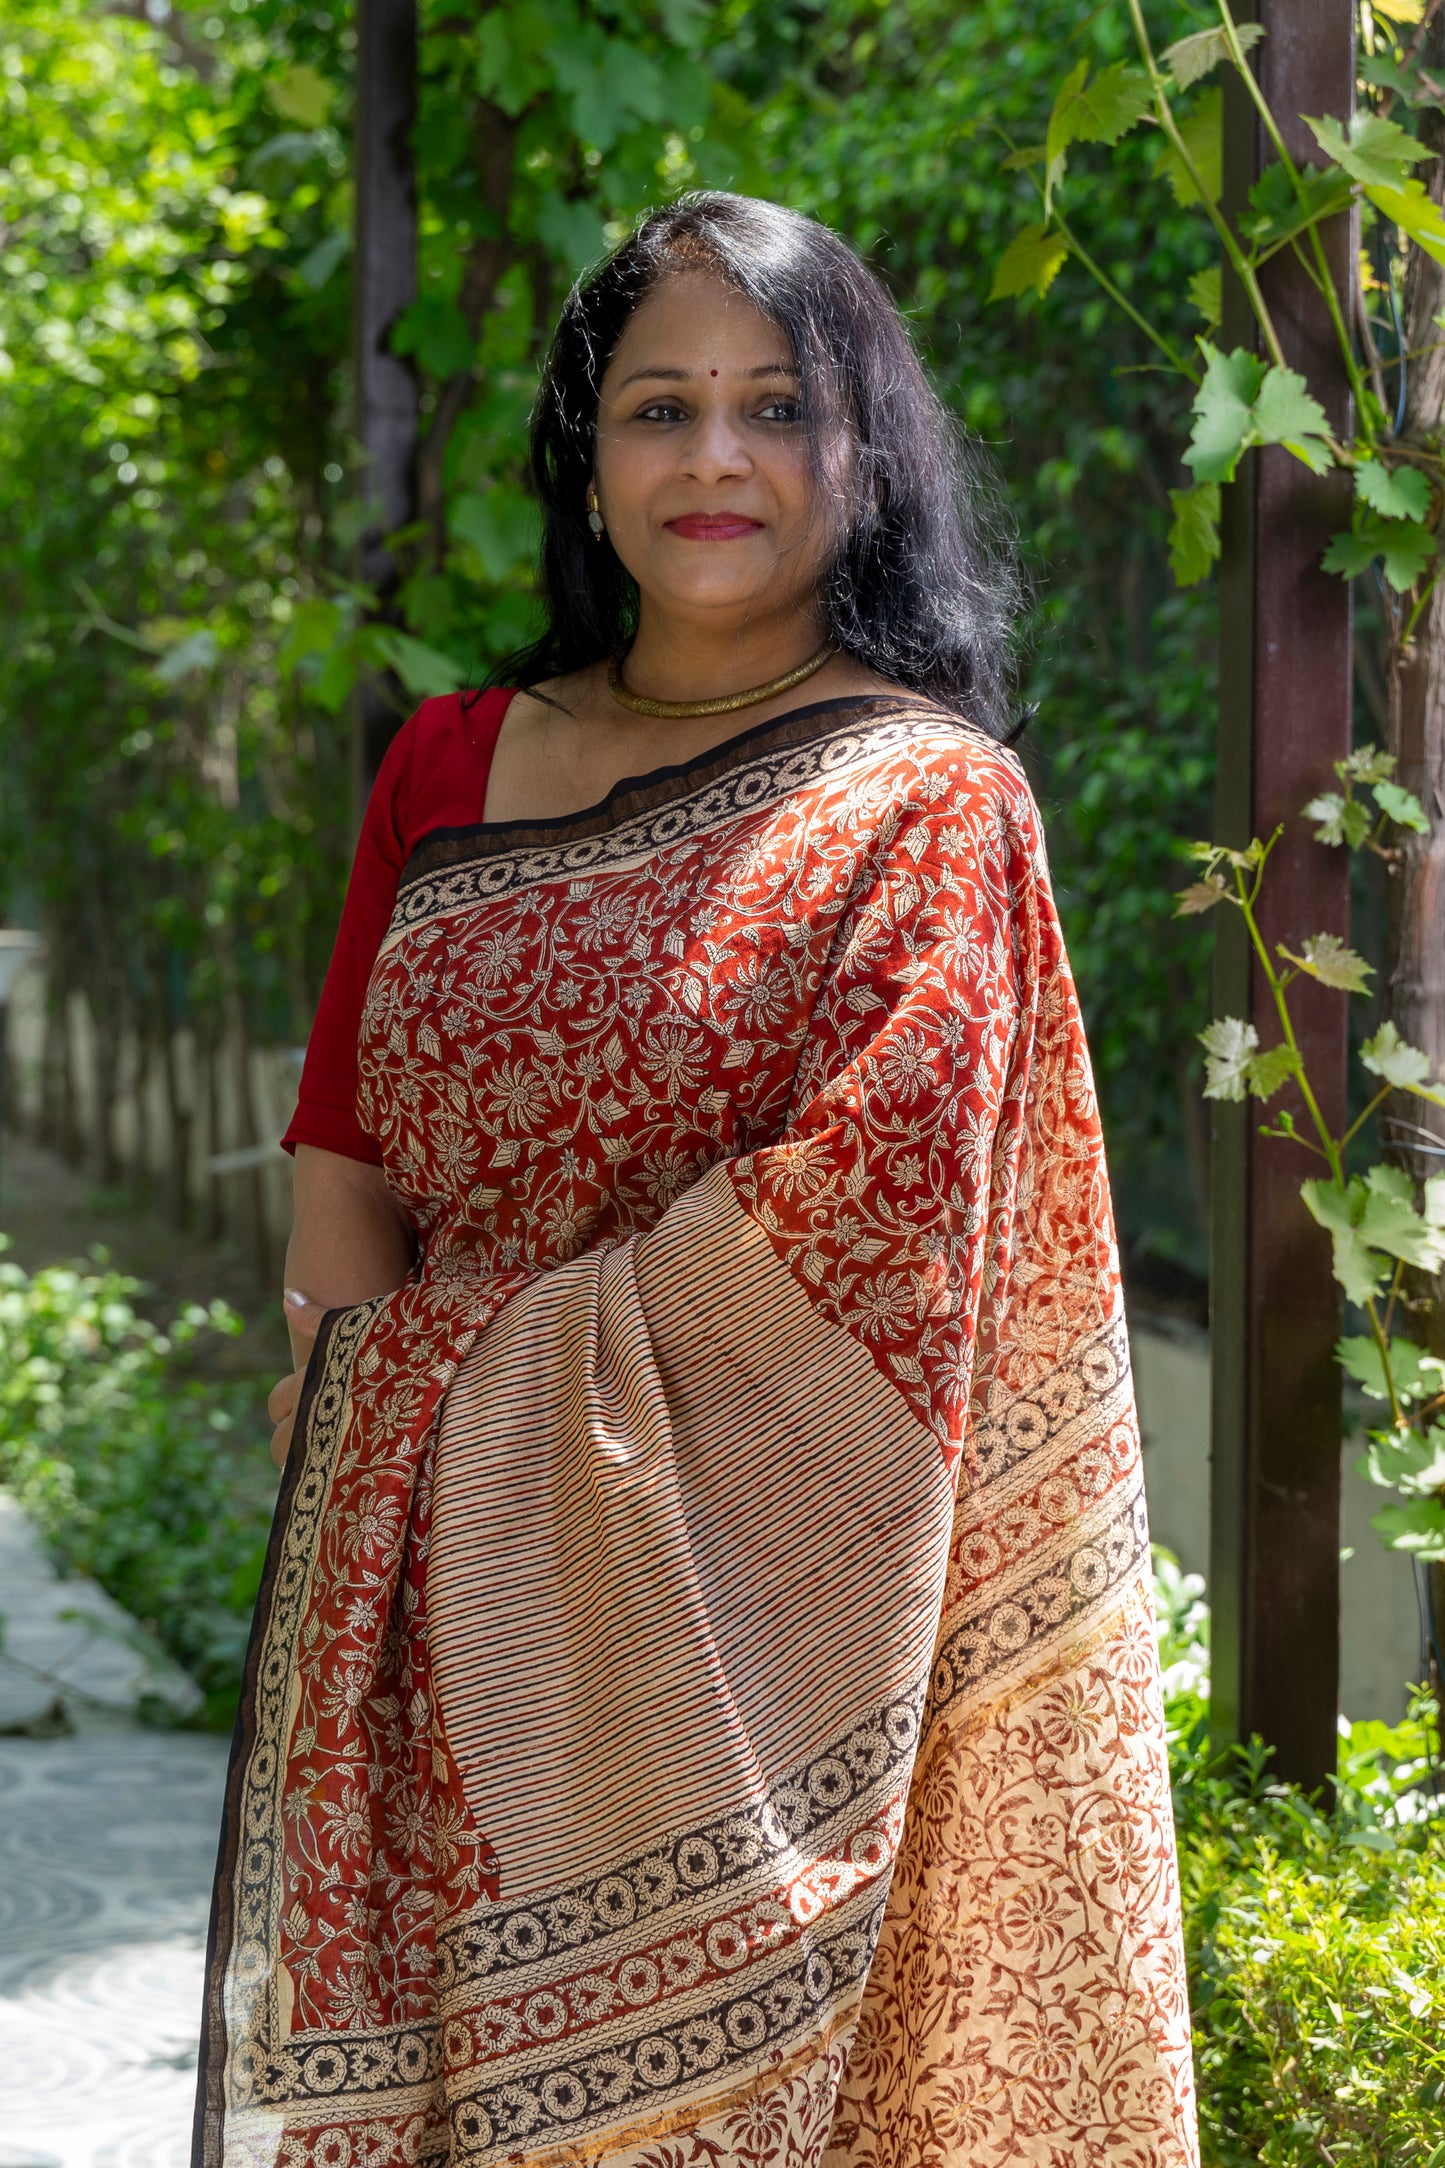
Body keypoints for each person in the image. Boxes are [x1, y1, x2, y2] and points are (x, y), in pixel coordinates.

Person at [196, 192, 1197, 2168]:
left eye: (776, 405)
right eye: (659, 408)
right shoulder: (452, 764)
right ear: (589, 459)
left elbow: (868, 1232)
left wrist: (454, 1390)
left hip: (767, 1669)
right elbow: (347, 1165)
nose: (716, 457)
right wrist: (371, 1423)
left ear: (865, 452)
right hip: (423, 1651)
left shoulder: (925, 800)